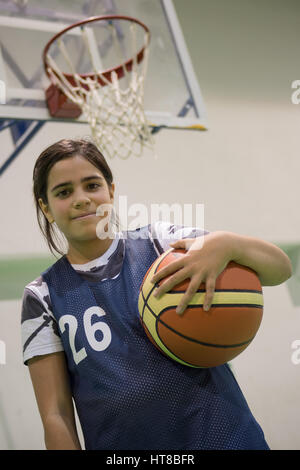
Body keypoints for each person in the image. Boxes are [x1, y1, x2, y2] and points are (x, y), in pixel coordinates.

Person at [21, 138, 292, 450]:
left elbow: (280, 269)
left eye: (92, 185)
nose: (81, 199)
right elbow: (56, 415)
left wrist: (229, 243)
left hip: (226, 438)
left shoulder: (161, 244)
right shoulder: (41, 296)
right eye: (64, 192)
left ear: (110, 191)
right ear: (47, 207)